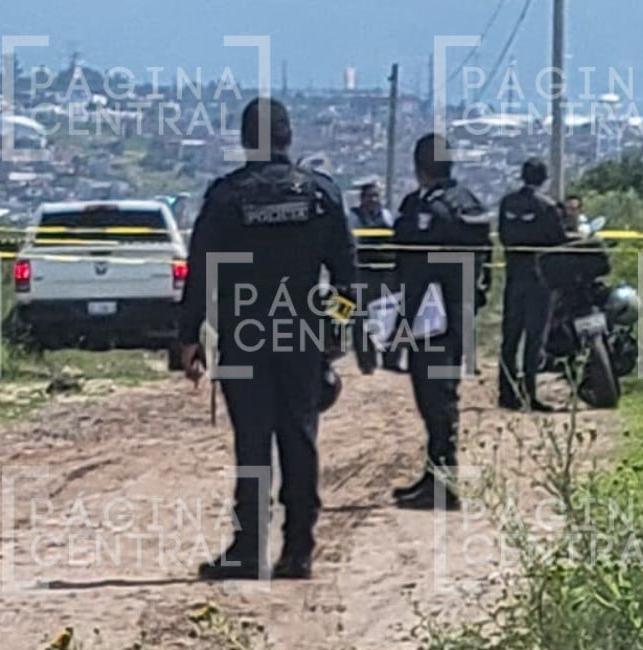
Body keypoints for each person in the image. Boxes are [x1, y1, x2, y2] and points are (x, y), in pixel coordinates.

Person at [179, 97, 357, 580]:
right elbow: (347, 278)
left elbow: (201, 275)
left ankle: (248, 549)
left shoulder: (226, 197)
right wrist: (335, 328)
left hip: (244, 335)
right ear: (288, 137)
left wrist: (189, 337)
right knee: (300, 439)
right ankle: (298, 549)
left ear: (244, 140)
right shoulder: (320, 194)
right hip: (302, 333)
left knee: (253, 443)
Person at [389, 133, 492, 510]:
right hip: (458, 314)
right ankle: (434, 476)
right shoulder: (470, 203)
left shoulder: (425, 208)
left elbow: (411, 268)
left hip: (428, 320)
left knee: (436, 402)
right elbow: (485, 266)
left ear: (419, 169)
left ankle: (443, 485)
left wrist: (399, 325)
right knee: (441, 399)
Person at [498, 159, 569, 412]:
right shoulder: (547, 206)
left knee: (510, 336)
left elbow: (503, 235)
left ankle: (505, 393)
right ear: (543, 178)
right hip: (539, 279)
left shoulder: (507, 203)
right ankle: (529, 393)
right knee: (534, 338)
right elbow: (560, 240)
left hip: (514, 275)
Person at [348, 180, 397, 374]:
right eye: (370, 196)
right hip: (362, 273)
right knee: (361, 319)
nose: (374, 200)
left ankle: (389, 360)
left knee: (388, 316)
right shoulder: (353, 218)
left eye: (377, 196)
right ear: (362, 199)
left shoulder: (387, 216)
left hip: (385, 273)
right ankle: (366, 362)